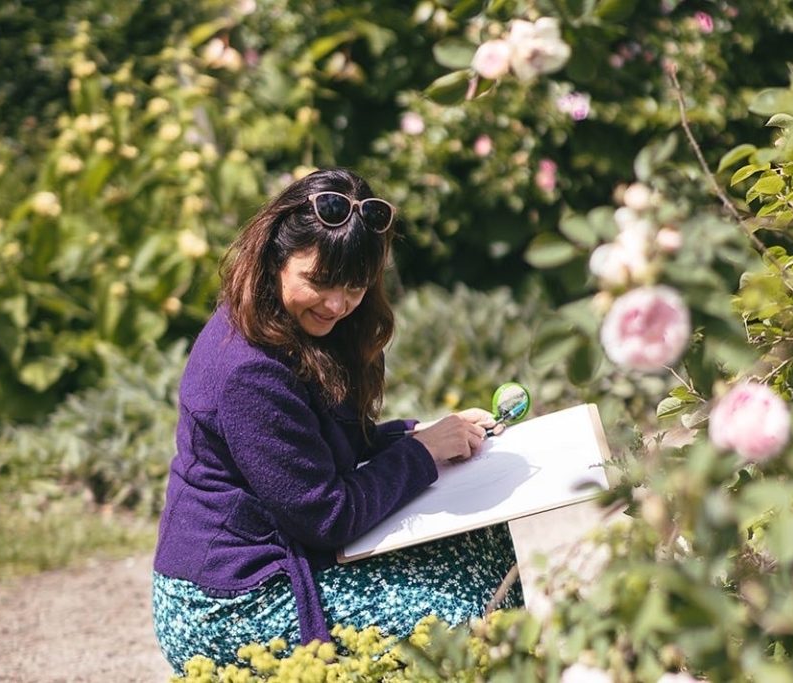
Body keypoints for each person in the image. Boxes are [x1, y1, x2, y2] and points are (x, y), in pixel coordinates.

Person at [151, 167, 522, 673]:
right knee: (453, 617)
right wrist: (422, 453)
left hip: (282, 558)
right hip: (227, 602)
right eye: (320, 282)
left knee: (481, 541)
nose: (338, 304)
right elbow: (327, 514)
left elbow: (319, 452)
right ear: (275, 258)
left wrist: (424, 436)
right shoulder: (246, 372)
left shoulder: (296, 331)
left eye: (355, 286)